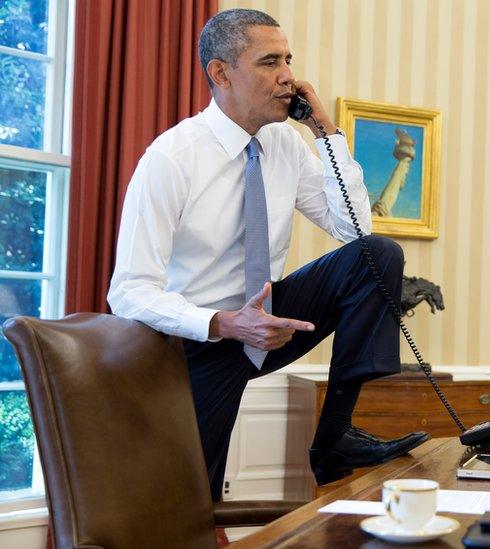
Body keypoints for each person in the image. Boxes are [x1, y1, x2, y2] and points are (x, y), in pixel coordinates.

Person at [107, 8, 427, 500]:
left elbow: (355, 229)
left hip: (270, 323)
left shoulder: (286, 144)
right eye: (269, 62)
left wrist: (328, 136)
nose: (288, 77)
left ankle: (335, 437)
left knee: (376, 255)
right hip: (196, 345)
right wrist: (225, 323)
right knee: (191, 498)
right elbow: (128, 291)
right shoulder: (171, 159)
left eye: (288, 60)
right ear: (220, 73)